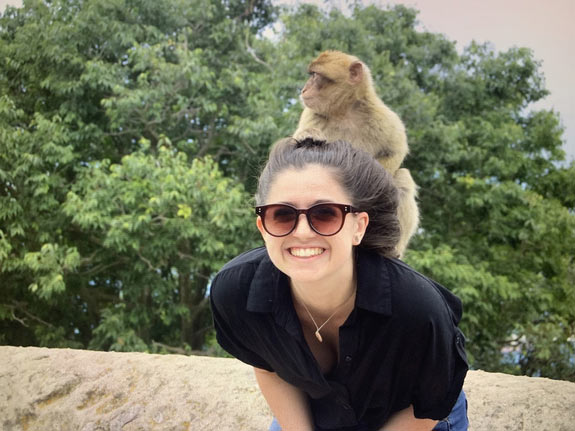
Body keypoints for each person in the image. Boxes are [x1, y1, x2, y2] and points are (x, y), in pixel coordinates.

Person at [210, 137, 469, 431]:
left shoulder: (416, 308)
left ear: (358, 227)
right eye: (282, 215)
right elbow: (268, 365)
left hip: (410, 417)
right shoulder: (236, 293)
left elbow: (428, 404)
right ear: (263, 228)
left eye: (325, 214)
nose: (303, 232)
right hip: (319, 412)